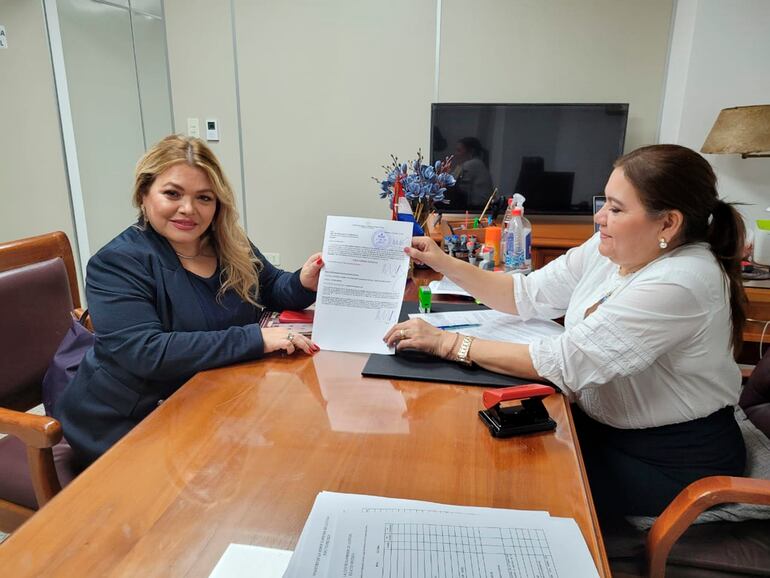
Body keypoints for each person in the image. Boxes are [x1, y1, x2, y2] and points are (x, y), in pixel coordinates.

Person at [385, 144, 747, 521]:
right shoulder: (614, 246)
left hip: (672, 458)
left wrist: (448, 343)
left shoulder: (682, 281)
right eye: (604, 202)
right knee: (470, 450)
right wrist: (442, 261)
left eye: (617, 208)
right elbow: (525, 294)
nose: (601, 218)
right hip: (600, 426)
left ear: (668, 223)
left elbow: (564, 363)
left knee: (504, 488)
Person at [56, 135, 323, 466]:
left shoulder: (227, 242)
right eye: (172, 193)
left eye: (204, 198)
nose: (189, 209)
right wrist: (254, 338)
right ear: (143, 194)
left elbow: (270, 286)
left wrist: (302, 280)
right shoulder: (117, 263)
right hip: (127, 421)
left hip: (208, 398)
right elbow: (146, 351)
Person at [448, 137, 494, 209]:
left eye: (459, 150)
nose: (455, 154)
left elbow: (452, 183)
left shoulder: (473, 164)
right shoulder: (475, 163)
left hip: (479, 208)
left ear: (471, 151)